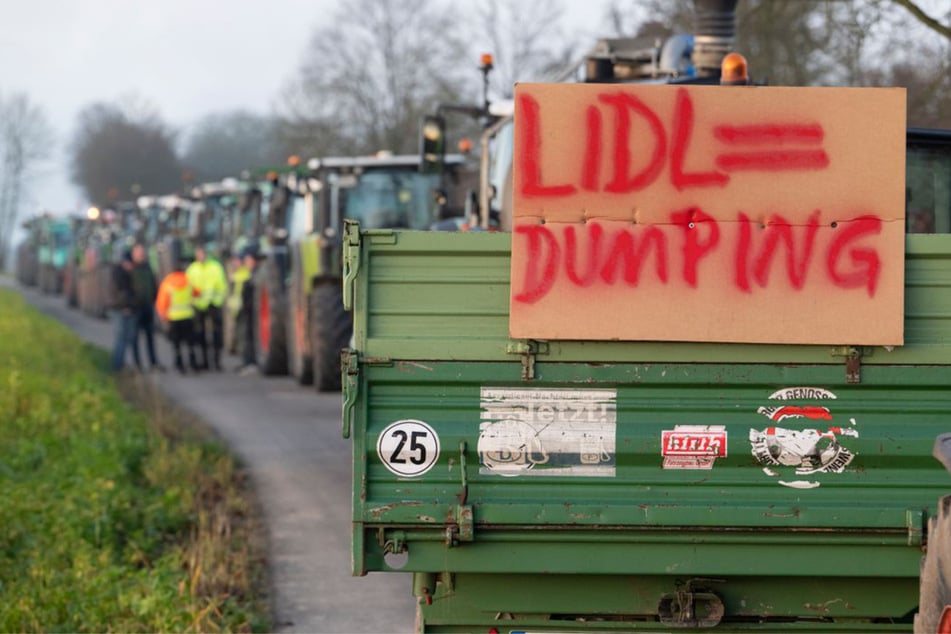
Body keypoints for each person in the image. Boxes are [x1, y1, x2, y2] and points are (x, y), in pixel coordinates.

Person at [186, 244, 228, 370]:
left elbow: (222, 285)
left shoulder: (215, 267)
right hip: (198, 305)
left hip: (214, 304)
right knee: (200, 335)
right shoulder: (192, 269)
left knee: (216, 334)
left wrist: (218, 299)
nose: (201, 256)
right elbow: (188, 287)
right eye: (198, 254)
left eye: (202, 254)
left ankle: (216, 362)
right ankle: (204, 362)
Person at [155, 259, 200, 374]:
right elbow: (197, 293)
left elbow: (162, 301)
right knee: (190, 343)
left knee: (177, 344)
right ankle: (193, 363)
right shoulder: (188, 280)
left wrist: (162, 315)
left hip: (174, 318)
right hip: (188, 316)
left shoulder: (168, 282)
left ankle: (180, 364)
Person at [130, 243, 164, 372]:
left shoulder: (148, 268)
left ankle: (153, 362)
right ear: (133, 254)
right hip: (135, 308)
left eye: (142, 253)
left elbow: (153, 285)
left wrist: (155, 300)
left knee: (150, 337)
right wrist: (131, 303)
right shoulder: (131, 270)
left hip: (147, 307)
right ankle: (137, 364)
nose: (141, 255)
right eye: (138, 253)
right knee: (135, 338)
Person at [110, 251, 138, 372]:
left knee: (126, 338)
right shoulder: (119, 275)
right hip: (120, 310)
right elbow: (121, 294)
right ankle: (117, 365)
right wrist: (125, 306)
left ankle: (121, 364)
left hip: (126, 309)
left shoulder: (126, 274)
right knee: (121, 337)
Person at [236, 248, 259, 376]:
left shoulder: (252, 275)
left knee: (249, 337)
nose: (245, 262)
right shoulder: (245, 274)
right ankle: (247, 362)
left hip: (251, 311)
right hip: (244, 311)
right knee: (245, 337)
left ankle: (251, 363)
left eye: (247, 259)